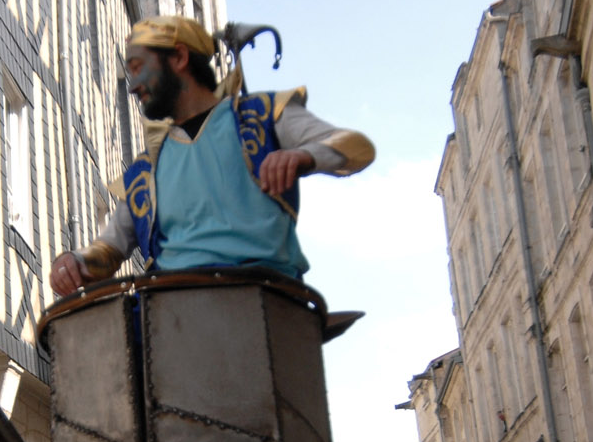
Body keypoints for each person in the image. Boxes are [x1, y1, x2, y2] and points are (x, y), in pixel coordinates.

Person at [48, 16, 374, 295]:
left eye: (138, 67)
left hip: (267, 302)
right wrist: (74, 262)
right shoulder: (145, 170)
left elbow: (354, 146)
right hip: (175, 316)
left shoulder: (261, 115)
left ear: (178, 57)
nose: (132, 86)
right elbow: (111, 247)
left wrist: (303, 156)